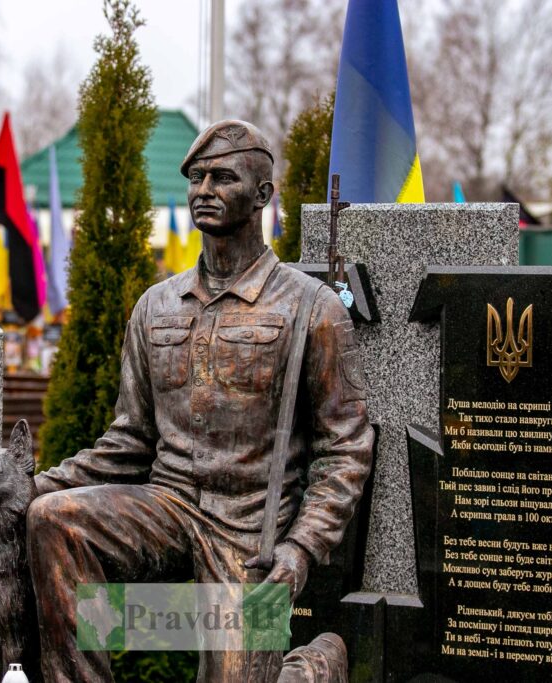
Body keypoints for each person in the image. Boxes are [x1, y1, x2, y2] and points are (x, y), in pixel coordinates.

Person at [27, 120, 374, 682]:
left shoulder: (312, 307)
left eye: (223, 177)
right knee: (54, 520)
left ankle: (310, 668)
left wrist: (301, 550)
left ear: (262, 195)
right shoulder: (156, 305)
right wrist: (34, 487)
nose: (204, 189)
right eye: (196, 176)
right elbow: (131, 438)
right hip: (167, 508)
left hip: (251, 532)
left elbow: (346, 448)